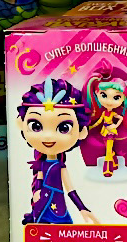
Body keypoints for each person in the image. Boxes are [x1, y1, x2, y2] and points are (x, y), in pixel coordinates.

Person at [16, 78, 98, 225]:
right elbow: (39, 179)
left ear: (81, 132)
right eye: (36, 126)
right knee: (40, 231)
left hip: (58, 205)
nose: (48, 136)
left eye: (64, 128)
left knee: (63, 230)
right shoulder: (41, 164)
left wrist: (82, 208)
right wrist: (37, 192)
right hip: (42, 203)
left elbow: (70, 190)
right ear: (21, 124)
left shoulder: (60, 167)